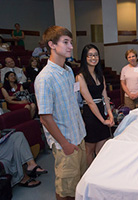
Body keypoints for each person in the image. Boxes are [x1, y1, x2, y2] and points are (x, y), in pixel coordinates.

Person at [34, 26, 87, 200]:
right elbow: (45, 117)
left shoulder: (68, 71)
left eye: (71, 42)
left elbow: (71, 103)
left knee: (78, 186)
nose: (71, 46)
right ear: (52, 45)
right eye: (65, 42)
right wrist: (64, 144)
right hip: (65, 142)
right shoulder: (45, 78)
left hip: (78, 137)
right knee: (65, 191)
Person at [76, 44, 114, 166]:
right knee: (89, 150)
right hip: (91, 115)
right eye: (90, 55)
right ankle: (89, 176)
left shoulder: (100, 75)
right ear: (85, 58)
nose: (94, 58)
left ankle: (100, 174)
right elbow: (91, 102)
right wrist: (103, 120)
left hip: (102, 111)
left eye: (96, 55)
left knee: (101, 149)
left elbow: (105, 97)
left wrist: (110, 115)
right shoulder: (80, 77)